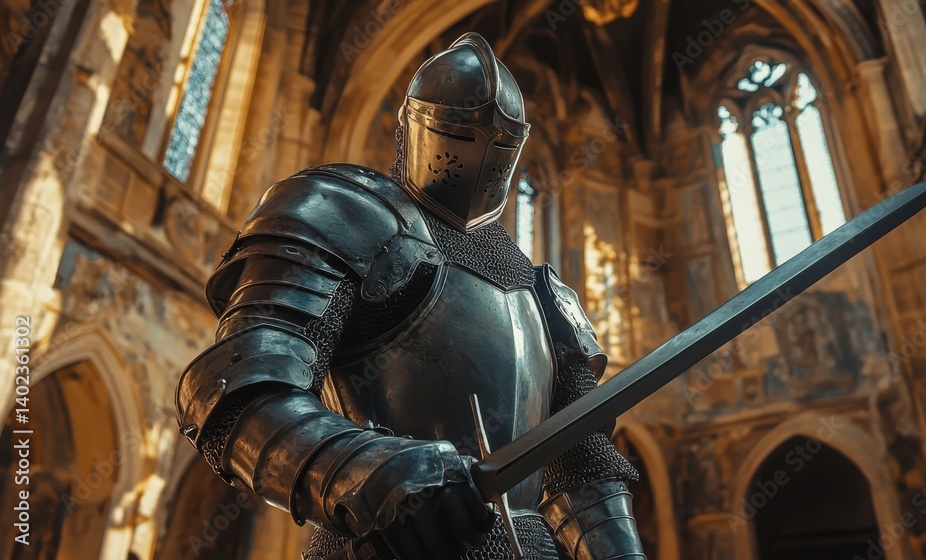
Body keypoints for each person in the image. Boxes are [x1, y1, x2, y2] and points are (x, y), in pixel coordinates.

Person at [175, 32, 644, 560]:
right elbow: (232, 391)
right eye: (457, 133)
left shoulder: (544, 293)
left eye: (501, 144)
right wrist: (367, 469)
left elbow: (583, 469)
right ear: (413, 125)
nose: (479, 157)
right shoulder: (341, 214)